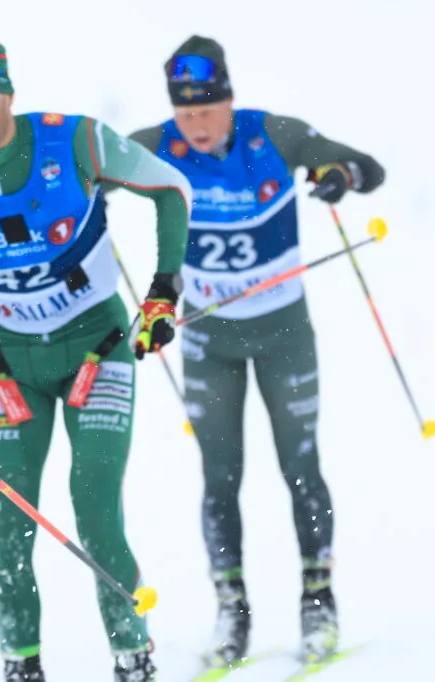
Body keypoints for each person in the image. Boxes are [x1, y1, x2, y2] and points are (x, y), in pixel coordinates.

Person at [0, 33, 192, 682]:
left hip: (98, 346)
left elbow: (170, 186)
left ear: (8, 92)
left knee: (95, 509)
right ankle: (21, 668)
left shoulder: (74, 141)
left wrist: (164, 289)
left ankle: (133, 658)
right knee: (9, 523)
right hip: (7, 359)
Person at [125, 35, 385, 668]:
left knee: (302, 466)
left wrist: (338, 175)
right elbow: (86, 174)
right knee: (220, 477)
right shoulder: (158, 146)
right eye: (185, 113)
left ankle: (318, 601)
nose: (196, 126)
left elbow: (368, 169)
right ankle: (232, 610)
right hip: (209, 342)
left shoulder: (274, 134)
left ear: (230, 100)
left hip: (283, 335)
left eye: (207, 110)